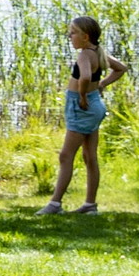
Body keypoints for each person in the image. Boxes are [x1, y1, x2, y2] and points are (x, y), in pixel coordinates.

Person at [48, 13, 126, 212]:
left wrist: (82, 96)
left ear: (85, 36)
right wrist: (102, 84)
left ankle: (55, 203)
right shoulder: (97, 52)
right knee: (90, 156)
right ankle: (90, 205)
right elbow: (120, 68)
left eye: (73, 33)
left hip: (82, 107)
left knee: (66, 156)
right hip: (95, 105)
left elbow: (83, 77)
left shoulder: (84, 54)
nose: (70, 36)